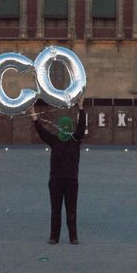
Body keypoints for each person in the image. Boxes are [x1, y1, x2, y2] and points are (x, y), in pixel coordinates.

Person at [31, 102, 88, 244]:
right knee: (59, 210)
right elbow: (41, 131)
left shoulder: (73, 139)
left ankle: (70, 237)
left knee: (68, 210)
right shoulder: (57, 140)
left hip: (66, 181)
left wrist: (81, 108)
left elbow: (82, 126)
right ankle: (56, 236)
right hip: (61, 181)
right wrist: (33, 114)